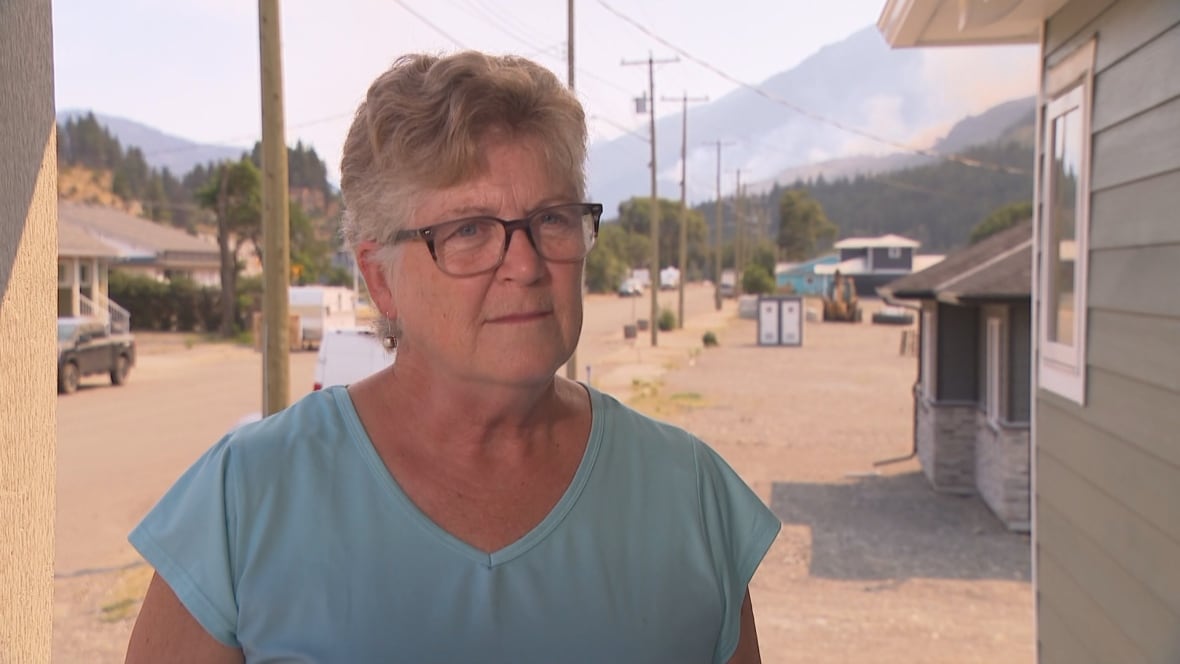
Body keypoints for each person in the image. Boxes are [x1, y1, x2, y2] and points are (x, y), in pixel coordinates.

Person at [125, 51, 780, 664]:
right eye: (467, 230)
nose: (525, 264)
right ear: (380, 278)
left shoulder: (690, 496)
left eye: (551, 219)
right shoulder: (244, 500)